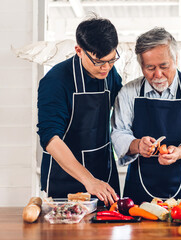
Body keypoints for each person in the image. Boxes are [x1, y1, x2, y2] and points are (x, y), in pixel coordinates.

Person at [111, 27, 181, 204]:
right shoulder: (128, 92)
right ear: (141, 66)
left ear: (176, 59)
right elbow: (118, 133)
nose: (158, 75)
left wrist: (179, 152)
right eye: (150, 68)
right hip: (140, 187)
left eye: (164, 66)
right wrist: (137, 145)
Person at [37, 17, 122, 206]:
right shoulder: (55, 81)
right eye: (99, 62)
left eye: (111, 60)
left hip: (104, 174)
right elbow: (50, 139)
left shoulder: (109, 73)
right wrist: (89, 180)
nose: (106, 68)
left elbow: (123, 111)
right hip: (65, 183)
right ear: (79, 51)